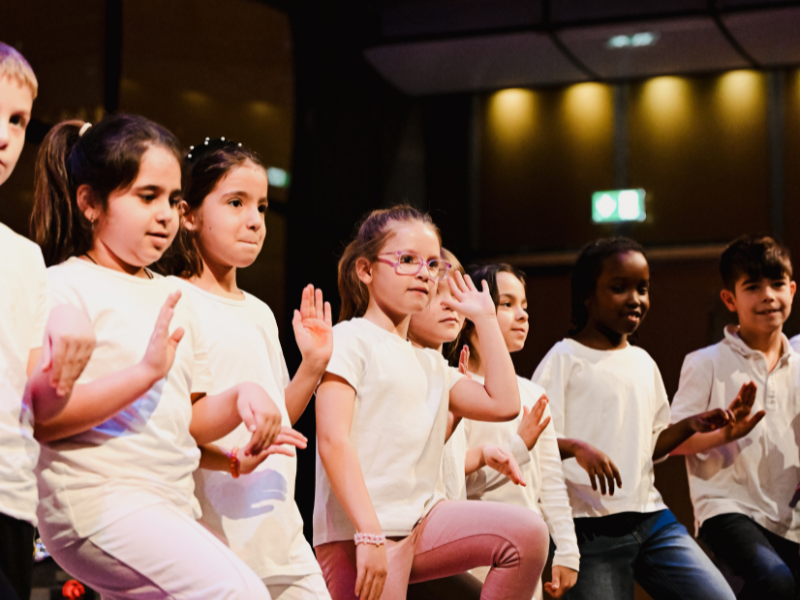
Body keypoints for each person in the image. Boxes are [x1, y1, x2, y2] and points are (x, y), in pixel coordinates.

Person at [31, 114, 284, 600]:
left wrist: (240, 399)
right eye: (147, 197)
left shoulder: (171, 293)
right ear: (90, 203)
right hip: (95, 502)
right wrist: (144, 372)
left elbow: (184, 417)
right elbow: (46, 418)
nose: (166, 214)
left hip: (167, 502)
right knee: (238, 592)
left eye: (172, 199)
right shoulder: (65, 286)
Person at [314, 205, 549, 600]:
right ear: (366, 271)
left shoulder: (430, 362)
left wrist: (487, 320)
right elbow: (333, 441)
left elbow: (503, 403)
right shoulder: (350, 339)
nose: (424, 272)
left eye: (432, 264)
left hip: (422, 519)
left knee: (527, 534)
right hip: (363, 530)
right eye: (407, 260)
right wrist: (369, 533)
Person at [164, 137, 331, 599]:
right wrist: (239, 403)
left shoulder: (258, 311)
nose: (255, 220)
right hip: (215, 535)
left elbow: (276, 423)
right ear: (190, 215)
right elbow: (185, 423)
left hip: (280, 534)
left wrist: (312, 368)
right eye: (235, 203)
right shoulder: (175, 300)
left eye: (260, 206)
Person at [532, 237, 736, 600]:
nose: (635, 299)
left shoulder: (643, 361)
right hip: (590, 527)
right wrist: (576, 447)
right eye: (618, 288)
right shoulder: (563, 360)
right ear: (586, 296)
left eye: (643, 289)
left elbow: (651, 443)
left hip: (650, 517)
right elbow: (533, 440)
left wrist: (689, 425)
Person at [0, 42, 95, 600]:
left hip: (11, 498)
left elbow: (33, 397)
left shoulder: (22, 257)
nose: (6, 136)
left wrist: (62, 372)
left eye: (17, 120)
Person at [671, 235, 800, 600]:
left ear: (792, 289)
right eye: (753, 287)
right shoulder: (706, 362)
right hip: (727, 508)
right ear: (730, 299)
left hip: (789, 515)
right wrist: (723, 433)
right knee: (774, 581)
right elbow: (670, 441)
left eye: (777, 284)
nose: (768, 296)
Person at [462, 263, 579, 600]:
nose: (523, 315)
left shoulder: (530, 393)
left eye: (525, 306)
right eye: (508, 304)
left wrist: (568, 550)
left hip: (526, 558)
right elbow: (456, 483)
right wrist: (518, 447)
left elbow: (551, 482)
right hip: (475, 558)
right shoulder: (458, 387)